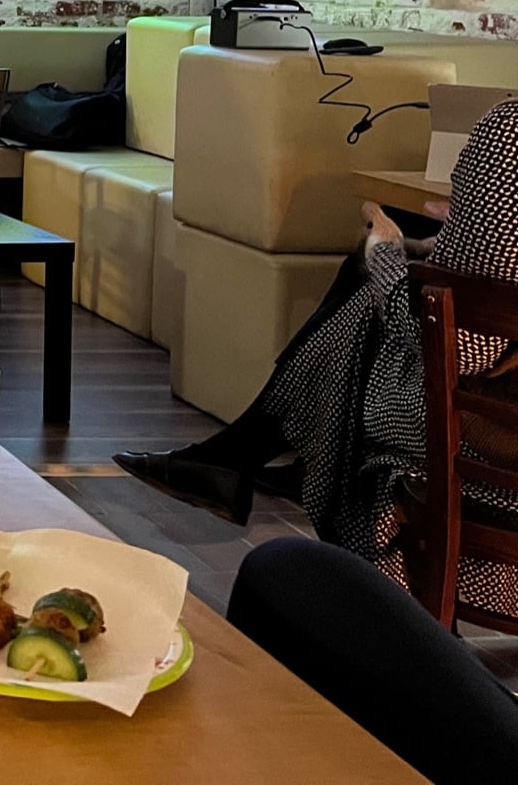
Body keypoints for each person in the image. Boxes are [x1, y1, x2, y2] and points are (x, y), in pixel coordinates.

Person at [117, 99, 518, 616]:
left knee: (362, 314)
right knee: (365, 295)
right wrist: (437, 246)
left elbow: (460, 347)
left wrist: (385, 254)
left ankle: (268, 456)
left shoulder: (507, 135)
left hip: (488, 441)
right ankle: (251, 457)